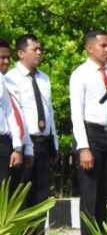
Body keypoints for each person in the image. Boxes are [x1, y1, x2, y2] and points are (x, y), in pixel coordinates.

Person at [69, 29, 107, 235]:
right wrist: (83, 147)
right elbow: (76, 114)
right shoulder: (80, 74)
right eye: (102, 45)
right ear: (89, 47)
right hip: (91, 134)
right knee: (90, 192)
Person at [5, 35, 57, 233]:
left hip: (44, 143)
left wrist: (55, 144)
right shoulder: (11, 79)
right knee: (22, 199)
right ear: (20, 53)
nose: (39, 52)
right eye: (34, 49)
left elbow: (49, 112)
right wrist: (22, 146)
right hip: (25, 145)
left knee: (41, 197)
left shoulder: (43, 77)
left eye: (40, 49)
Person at [0, 38, 33, 194]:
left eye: (8, 57)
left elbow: (11, 113)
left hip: (4, 143)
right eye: (2, 58)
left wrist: (18, 147)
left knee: (7, 195)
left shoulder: (3, 80)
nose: (6, 61)